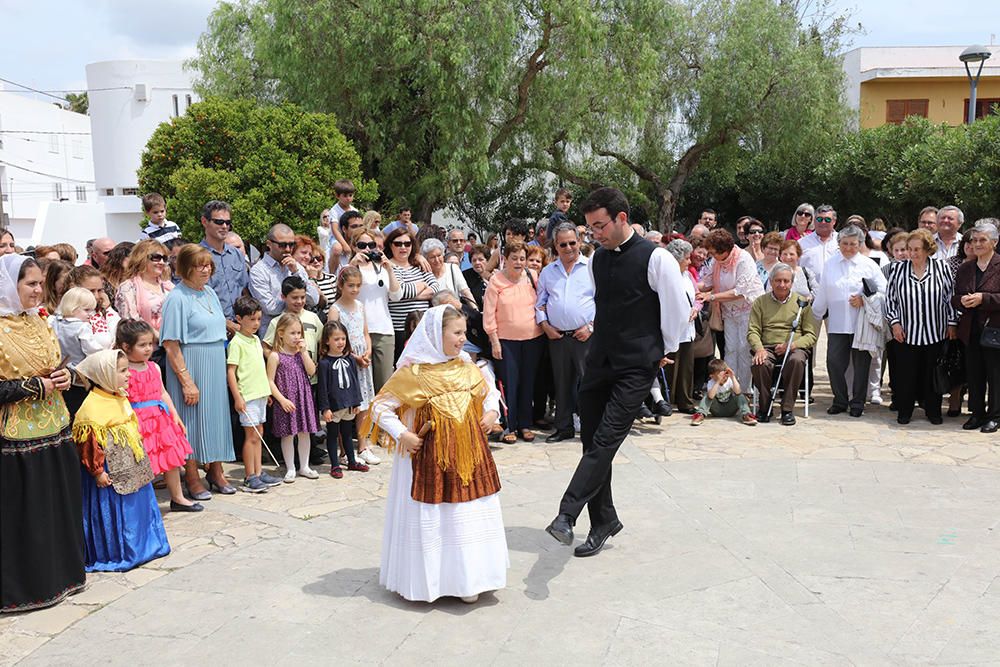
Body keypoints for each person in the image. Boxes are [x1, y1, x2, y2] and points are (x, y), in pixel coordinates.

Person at [546, 187, 688, 558]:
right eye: (590, 227)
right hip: (599, 361)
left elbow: (675, 310)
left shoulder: (657, 259)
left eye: (599, 226)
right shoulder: (598, 260)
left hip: (636, 365)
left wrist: (662, 350)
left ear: (621, 218)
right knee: (593, 443)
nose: (594, 234)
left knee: (607, 439)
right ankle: (604, 519)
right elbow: (602, 307)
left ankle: (567, 513)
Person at [362, 305, 505, 603]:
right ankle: (434, 581)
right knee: (437, 515)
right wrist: (403, 433)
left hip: (470, 457)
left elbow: (489, 391)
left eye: (464, 332)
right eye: (456, 333)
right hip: (431, 460)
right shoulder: (413, 373)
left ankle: (470, 580)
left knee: (467, 513)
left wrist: (491, 411)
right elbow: (379, 407)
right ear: (435, 335)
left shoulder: (466, 366)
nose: (462, 339)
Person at [0, 254, 85, 613]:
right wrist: (34, 386)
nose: (38, 290)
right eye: (30, 284)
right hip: (17, 438)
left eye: (39, 283)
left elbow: (55, 365)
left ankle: (61, 578)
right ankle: (28, 589)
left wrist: (66, 378)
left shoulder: (41, 321)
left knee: (57, 505)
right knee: (27, 514)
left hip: (55, 427)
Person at [72, 349, 171, 571]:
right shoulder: (92, 407)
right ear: (104, 374)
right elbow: (89, 444)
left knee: (138, 506)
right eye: (122, 371)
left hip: (131, 465)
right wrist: (97, 471)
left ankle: (147, 544)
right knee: (118, 511)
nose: (128, 375)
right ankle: (122, 551)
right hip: (109, 472)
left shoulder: (119, 397)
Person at [160, 244, 235, 499]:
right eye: (199, 265)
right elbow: (171, 344)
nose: (206, 269)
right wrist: (186, 380)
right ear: (185, 268)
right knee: (191, 421)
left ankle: (216, 470)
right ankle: (192, 477)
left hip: (214, 360)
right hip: (191, 362)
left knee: (215, 417)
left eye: (208, 265)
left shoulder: (210, 293)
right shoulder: (177, 298)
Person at [117, 319, 200, 511]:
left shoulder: (153, 367)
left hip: (160, 419)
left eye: (150, 344)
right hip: (137, 420)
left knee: (171, 459)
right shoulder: (124, 370)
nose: (148, 349)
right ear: (126, 346)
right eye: (142, 345)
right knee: (143, 462)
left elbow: (162, 392)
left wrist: (175, 415)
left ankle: (178, 498)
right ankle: (143, 503)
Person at [812, 225, 887, 418]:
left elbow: (884, 291)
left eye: (853, 244)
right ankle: (840, 400)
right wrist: (814, 316)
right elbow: (823, 293)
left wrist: (864, 299)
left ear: (860, 244)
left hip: (861, 324)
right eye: (844, 243)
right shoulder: (830, 264)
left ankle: (857, 403)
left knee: (861, 365)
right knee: (834, 362)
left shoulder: (868, 264)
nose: (848, 248)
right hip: (837, 323)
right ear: (839, 244)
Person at [885, 229, 958, 425]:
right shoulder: (897, 269)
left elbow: (950, 297)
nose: (913, 253)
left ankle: (933, 411)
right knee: (906, 374)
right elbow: (890, 300)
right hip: (907, 333)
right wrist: (895, 323)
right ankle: (905, 411)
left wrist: (952, 323)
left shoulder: (942, 267)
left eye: (917, 249)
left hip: (936, 331)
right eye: (910, 249)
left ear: (928, 249)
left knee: (932, 374)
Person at [535, 223, 595, 442]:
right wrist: (545, 325)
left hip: (586, 337)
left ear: (579, 242)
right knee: (561, 385)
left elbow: (603, 301)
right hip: (558, 337)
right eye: (563, 244)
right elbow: (540, 303)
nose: (569, 247)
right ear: (555, 246)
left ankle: (592, 427)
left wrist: (590, 327)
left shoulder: (591, 267)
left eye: (572, 242)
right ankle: (564, 427)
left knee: (589, 384)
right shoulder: (548, 272)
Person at [484, 241, 543, 443]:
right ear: (505, 259)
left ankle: (525, 424)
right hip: (506, 341)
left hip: (533, 339)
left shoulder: (532, 277)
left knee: (528, 382)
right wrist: (494, 341)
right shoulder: (496, 281)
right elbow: (489, 315)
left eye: (522, 258)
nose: (518, 262)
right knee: (509, 384)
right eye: (514, 258)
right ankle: (509, 424)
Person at [226, 296, 284, 493]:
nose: (256, 324)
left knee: (259, 433)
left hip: (259, 394)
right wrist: (238, 397)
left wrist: (266, 392)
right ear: (239, 319)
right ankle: (250, 476)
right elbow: (231, 372)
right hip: (247, 396)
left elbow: (259, 368)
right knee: (251, 435)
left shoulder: (256, 340)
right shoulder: (237, 342)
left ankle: (259, 472)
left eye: (259, 319)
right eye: (251, 319)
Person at [748, 264, 817, 425]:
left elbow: (811, 335)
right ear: (771, 282)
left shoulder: (802, 303)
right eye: (778, 280)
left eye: (786, 281)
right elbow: (753, 331)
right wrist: (759, 349)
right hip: (767, 347)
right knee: (760, 364)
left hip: (794, 347)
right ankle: (765, 407)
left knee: (796, 361)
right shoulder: (760, 302)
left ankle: (787, 409)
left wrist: (792, 345)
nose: (782, 285)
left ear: (792, 283)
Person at [697, 229, 764, 391]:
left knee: (744, 348)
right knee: (730, 348)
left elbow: (740, 291)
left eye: (713, 252)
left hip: (748, 309)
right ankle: (728, 387)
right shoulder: (716, 262)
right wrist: (688, 285)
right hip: (728, 311)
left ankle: (745, 389)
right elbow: (706, 283)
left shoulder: (743, 259)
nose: (711, 256)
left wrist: (711, 297)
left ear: (724, 251)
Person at [327, 266, 379, 465]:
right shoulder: (335, 309)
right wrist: (353, 356)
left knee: (364, 403)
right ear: (341, 285)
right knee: (346, 405)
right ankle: (344, 449)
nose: (355, 289)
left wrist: (368, 350)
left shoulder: (360, 306)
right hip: (345, 360)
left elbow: (365, 332)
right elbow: (332, 337)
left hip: (362, 360)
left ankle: (363, 445)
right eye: (351, 285)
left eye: (358, 286)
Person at [952, 221, 1000, 433]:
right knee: (974, 374)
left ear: (994, 242)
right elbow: (954, 297)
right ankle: (977, 413)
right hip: (970, 330)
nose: (977, 244)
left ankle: (995, 415)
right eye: (974, 240)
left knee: (995, 375)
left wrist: (984, 298)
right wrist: (962, 301)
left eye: (983, 240)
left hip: (995, 330)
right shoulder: (965, 268)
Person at [346, 228, 401, 394]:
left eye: (371, 245)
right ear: (354, 247)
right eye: (362, 245)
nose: (367, 249)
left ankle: (380, 419)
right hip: (359, 330)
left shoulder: (383, 270)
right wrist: (352, 264)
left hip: (384, 329)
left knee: (383, 384)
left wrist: (389, 268)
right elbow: (340, 290)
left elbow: (396, 296)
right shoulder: (351, 269)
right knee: (361, 384)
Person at [267, 313, 320, 482]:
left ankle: (304, 466)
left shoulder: (300, 354)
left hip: (303, 397)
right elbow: (269, 381)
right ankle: (290, 467)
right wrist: (281, 400)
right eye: (293, 333)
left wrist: (304, 352)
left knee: (305, 432)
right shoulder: (275, 356)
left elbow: (312, 371)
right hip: (286, 399)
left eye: (299, 333)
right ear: (281, 333)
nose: (297, 337)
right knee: (288, 434)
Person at [317, 320, 368, 479]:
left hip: (349, 404)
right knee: (333, 435)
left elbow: (354, 382)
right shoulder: (325, 363)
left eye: (343, 339)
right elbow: (323, 388)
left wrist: (356, 402)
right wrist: (325, 408)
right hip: (334, 406)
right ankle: (335, 465)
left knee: (347, 433)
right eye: (336, 339)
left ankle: (351, 461)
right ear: (327, 340)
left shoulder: (350, 359)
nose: (340, 342)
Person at [249, 223, 319, 333]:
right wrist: (296, 301)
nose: (287, 249)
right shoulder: (259, 271)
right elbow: (270, 308)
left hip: (299, 332)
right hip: (274, 334)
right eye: (282, 245)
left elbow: (314, 300)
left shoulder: (297, 267)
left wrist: (296, 272)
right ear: (269, 244)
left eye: (291, 245)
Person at [385, 226, 438, 360]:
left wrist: (410, 294)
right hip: (400, 329)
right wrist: (422, 285)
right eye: (398, 244)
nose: (403, 247)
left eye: (407, 244)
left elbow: (436, 288)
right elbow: (398, 293)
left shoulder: (419, 265)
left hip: (423, 327)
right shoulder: (388, 267)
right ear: (391, 246)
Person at [51, 287, 101, 417]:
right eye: (87, 310)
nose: (91, 314)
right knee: (79, 408)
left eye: (92, 310)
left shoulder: (53, 321)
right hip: (80, 375)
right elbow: (92, 350)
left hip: (58, 371)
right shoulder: (82, 328)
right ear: (73, 308)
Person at [664, 238, 701, 414]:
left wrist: (695, 309)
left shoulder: (688, 275)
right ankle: (666, 401)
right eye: (687, 258)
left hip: (688, 328)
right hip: (671, 327)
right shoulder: (666, 276)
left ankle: (685, 401)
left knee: (687, 366)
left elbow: (698, 297)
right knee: (670, 365)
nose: (689, 261)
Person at [199, 200, 246, 332]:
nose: (225, 226)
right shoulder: (196, 256)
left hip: (239, 330)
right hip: (210, 330)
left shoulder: (237, 255)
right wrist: (227, 324)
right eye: (219, 222)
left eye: (228, 223)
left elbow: (244, 291)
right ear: (204, 221)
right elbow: (195, 300)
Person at [114, 239, 174, 340]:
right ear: (141, 258)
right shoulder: (128, 287)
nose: (162, 262)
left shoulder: (168, 285)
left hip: (173, 342)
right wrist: (159, 337)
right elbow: (131, 320)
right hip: (148, 346)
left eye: (164, 258)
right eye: (156, 258)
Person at [70, 264, 121, 351]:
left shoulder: (101, 312)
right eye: (91, 291)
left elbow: (118, 334)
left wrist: (108, 309)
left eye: (99, 290)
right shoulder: (68, 316)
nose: (96, 296)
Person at [691, 359, 756, 426]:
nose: (724, 377)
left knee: (740, 396)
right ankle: (700, 414)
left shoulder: (729, 381)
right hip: (716, 409)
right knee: (707, 396)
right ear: (712, 376)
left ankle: (746, 415)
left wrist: (733, 377)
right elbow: (710, 396)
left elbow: (738, 392)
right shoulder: (711, 383)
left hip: (730, 408)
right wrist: (718, 381)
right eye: (720, 375)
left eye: (725, 374)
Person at [423, 238, 476, 304]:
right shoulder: (424, 274)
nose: (437, 260)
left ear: (443, 254)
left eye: (439, 255)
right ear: (426, 259)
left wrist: (475, 309)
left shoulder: (453, 268)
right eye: (432, 257)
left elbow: (465, 292)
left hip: (454, 311)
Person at [799, 205, 840, 281]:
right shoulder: (801, 243)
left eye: (827, 219)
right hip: (810, 291)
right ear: (814, 220)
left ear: (834, 221)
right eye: (819, 219)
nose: (823, 222)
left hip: (837, 289)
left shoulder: (842, 241)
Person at [325, 179, 358, 270]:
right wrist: (344, 244)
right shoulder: (334, 210)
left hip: (352, 238)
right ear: (337, 196)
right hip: (336, 238)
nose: (348, 198)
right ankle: (331, 274)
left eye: (350, 195)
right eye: (345, 196)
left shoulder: (355, 211)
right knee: (337, 249)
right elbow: (335, 230)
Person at [462, 244, 492, 310]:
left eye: (480, 259)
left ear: (488, 260)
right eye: (474, 260)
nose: (477, 263)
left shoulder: (495, 275)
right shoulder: (465, 276)